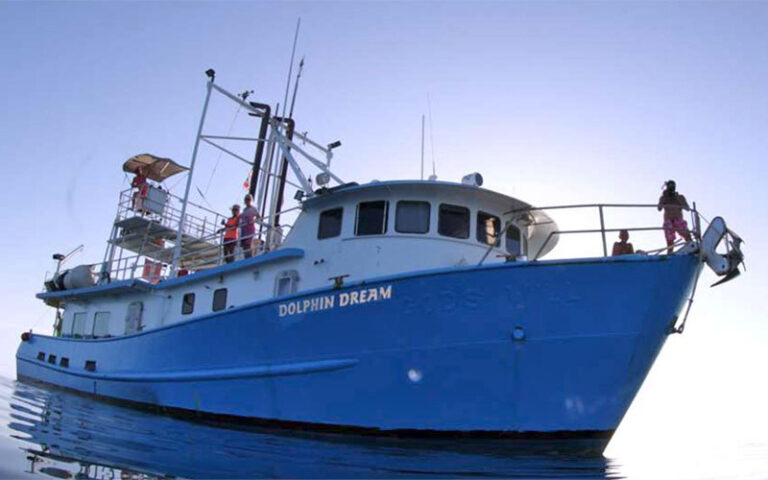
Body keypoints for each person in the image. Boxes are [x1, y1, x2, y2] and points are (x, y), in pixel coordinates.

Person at [657, 180, 692, 254]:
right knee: (670, 241)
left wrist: (679, 199)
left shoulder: (680, 197)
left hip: (678, 219)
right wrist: (664, 197)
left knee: (687, 235)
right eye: (670, 186)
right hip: (668, 220)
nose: (672, 187)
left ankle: (692, 248)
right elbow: (659, 208)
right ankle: (670, 253)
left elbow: (687, 208)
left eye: (673, 186)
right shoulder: (664, 197)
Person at [239, 194, 260, 259]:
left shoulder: (253, 209)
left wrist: (253, 220)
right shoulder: (244, 209)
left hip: (249, 228)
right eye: (246, 199)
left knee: (248, 243)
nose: (247, 200)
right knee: (244, 244)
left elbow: (258, 217)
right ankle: (246, 257)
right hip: (243, 228)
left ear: (251, 200)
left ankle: (249, 257)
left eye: (248, 199)